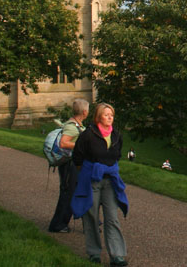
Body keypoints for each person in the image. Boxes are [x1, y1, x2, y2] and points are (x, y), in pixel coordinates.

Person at [71, 103, 129, 266]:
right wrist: (89, 171)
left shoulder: (117, 135)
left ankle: (117, 255)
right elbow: (77, 157)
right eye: (106, 114)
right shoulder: (88, 135)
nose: (110, 117)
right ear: (98, 117)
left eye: (111, 114)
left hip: (110, 180)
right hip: (92, 180)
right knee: (92, 216)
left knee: (112, 217)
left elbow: (117, 156)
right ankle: (94, 252)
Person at [47, 98, 89, 233]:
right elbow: (64, 143)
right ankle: (57, 224)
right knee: (68, 194)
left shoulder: (76, 125)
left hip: (76, 165)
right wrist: (80, 146)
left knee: (79, 193)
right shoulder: (71, 126)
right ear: (84, 112)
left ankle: (89, 224)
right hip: (70, 166)